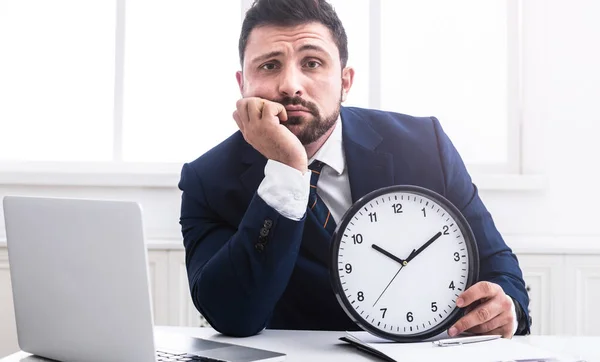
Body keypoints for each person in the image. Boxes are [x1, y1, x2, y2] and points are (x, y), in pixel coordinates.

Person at [178, 0, 530, 338]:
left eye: (312, 63)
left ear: (345, 81)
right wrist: (287, 169)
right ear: (243, 84)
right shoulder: (207, 181)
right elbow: (231, 314)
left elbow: (496, 265)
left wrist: (506, 306)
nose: (290, 85)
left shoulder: (425, 144)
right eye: (269, 66)